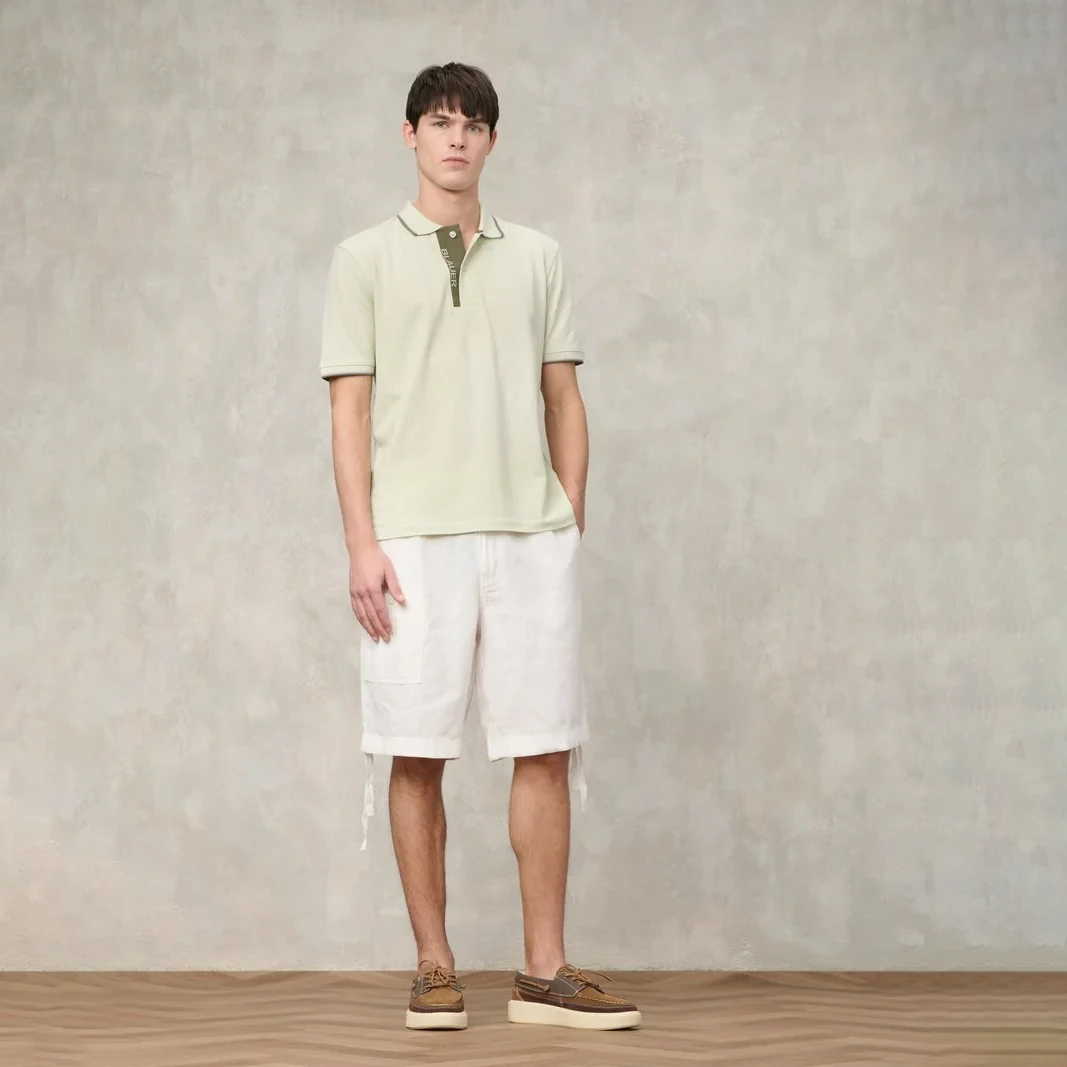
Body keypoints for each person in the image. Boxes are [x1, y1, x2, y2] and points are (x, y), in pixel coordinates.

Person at [319, 61, 640, 1032]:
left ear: (492, 140)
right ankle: (433, 964)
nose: (455, 138)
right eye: (439, 122)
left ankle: (543, 969)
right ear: (409, 135)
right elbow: (348, 410)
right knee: (416, 749)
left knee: (542, 743)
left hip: (527, 536)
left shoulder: (537, 255)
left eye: (472, 124)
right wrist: (361, 541)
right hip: (413, 540)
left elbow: (563, 397)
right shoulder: (362, 258)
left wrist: (567, 514)